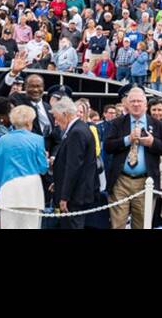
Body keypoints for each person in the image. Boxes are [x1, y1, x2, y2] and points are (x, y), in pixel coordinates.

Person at [102, 86, 162, 229]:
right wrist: (127, 139)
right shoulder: (117, 123)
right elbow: (108, 147)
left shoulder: (158, 125)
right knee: (117, 225)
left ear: (146, 104)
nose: (136, 104)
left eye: (139, 101)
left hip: (145, 182)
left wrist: (152, 142)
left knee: (142, 225)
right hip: (120, 182)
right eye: (132, 101)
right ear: (127, 104)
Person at [0, 105, 49, 229]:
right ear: (28, 122)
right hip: (32, 191)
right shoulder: (38, 140)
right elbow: (43, 168)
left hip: (8, 189)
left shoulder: (3, 140)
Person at [50, 96, 103, 228]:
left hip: (74, 196)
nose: (55, 122)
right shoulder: (79, 128)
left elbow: (73, 167)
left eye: (56, 117)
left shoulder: (77, 132)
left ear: (65, 114)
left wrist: (64, 196)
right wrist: (58, 183)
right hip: (75, 193)